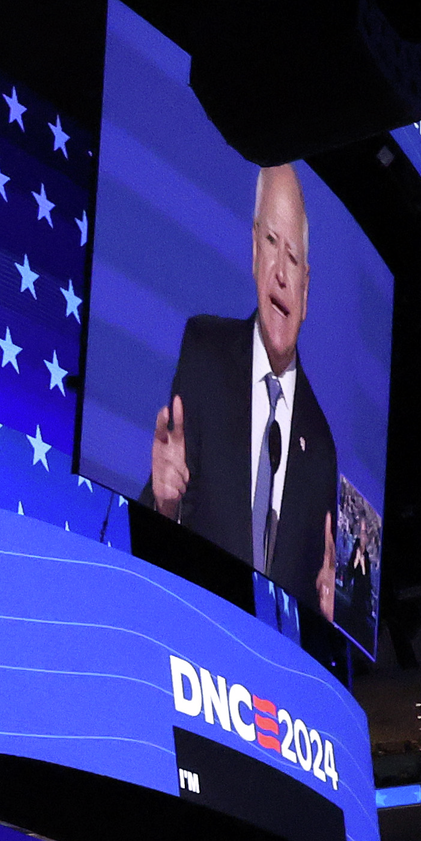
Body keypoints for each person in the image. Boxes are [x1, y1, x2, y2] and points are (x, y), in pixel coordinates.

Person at [144, 159, 337, 619]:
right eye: (272, 243)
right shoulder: (205, 352)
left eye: (294, 259)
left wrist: (329, 618)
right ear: (253, 250)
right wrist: (163, 503)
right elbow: (160, 527)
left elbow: (309, 610)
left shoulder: (323, 447)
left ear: (306, 290)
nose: (281, 275)